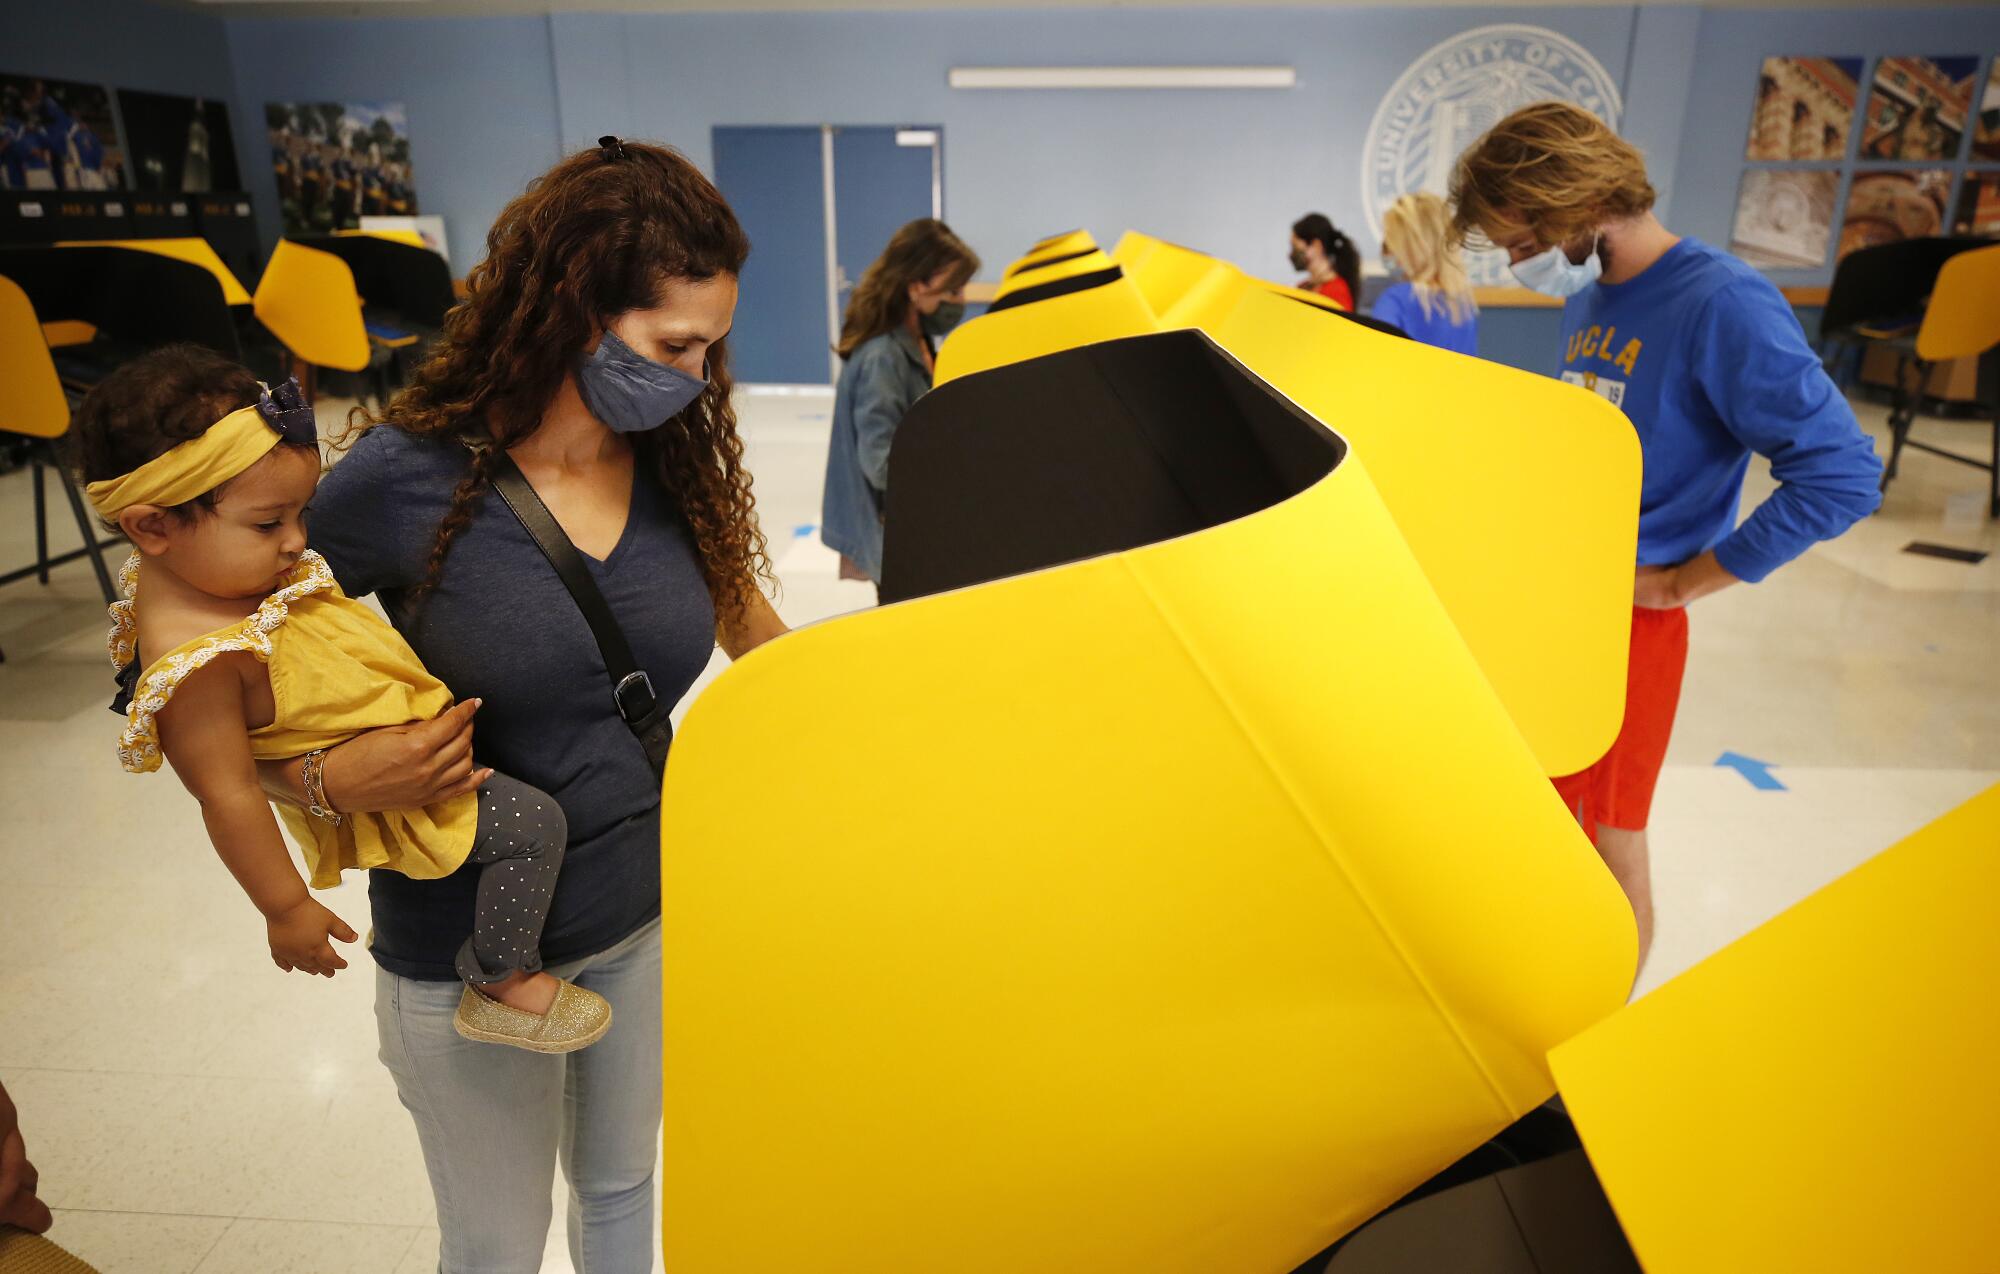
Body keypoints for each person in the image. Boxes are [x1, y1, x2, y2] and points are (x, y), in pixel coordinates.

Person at [256, 135, 786, 1272]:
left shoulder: (674, 458)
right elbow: (197, 681)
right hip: (465, 943)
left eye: (710, 347)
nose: (695, 377)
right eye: (671, 344)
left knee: (620, 1192)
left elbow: (754, 632)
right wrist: (328, 777)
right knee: (497, 1242)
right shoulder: (401, 481)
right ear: (571, 309)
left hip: (642, 909)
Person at [72, 349, 611, 1054]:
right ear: (151, 527)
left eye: (302, 512)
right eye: (270, 524)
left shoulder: (221, 577)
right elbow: (227, 794)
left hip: (411, 742)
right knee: (535, 826)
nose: (298, 540)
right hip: (397, 793)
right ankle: (501, 976)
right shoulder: (200, 665)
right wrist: (286, 906)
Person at [1450, 102, 1882, 969]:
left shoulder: (1722, 302)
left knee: (1612, 846)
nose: (1513, 261)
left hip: (1632, 627)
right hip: (1569, 614)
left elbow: (1842, 474)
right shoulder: (1601, 295)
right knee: (1555, 830)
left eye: (1521, 239)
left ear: (1573, 209)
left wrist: (1684, 584)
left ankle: (1600, 1039)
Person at [821, 217, 979, 589]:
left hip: (915, 521)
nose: (960, 301)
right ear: (915, 286)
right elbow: (880, 465)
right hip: (897, 533)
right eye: (952, 291)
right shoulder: (883, 357)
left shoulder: (918, 336)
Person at [1371, 192, 1478, 356]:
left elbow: (1375, 359)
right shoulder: (1464, 307)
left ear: (1411, 246)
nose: (1387, 251)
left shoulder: (1396, 300)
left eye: (1390, 242)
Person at [1289, 212, 1361, 310]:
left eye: (1295, 247)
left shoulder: (1337, 291)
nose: (1291, 254)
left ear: (1316, 245)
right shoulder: (1302, 286)